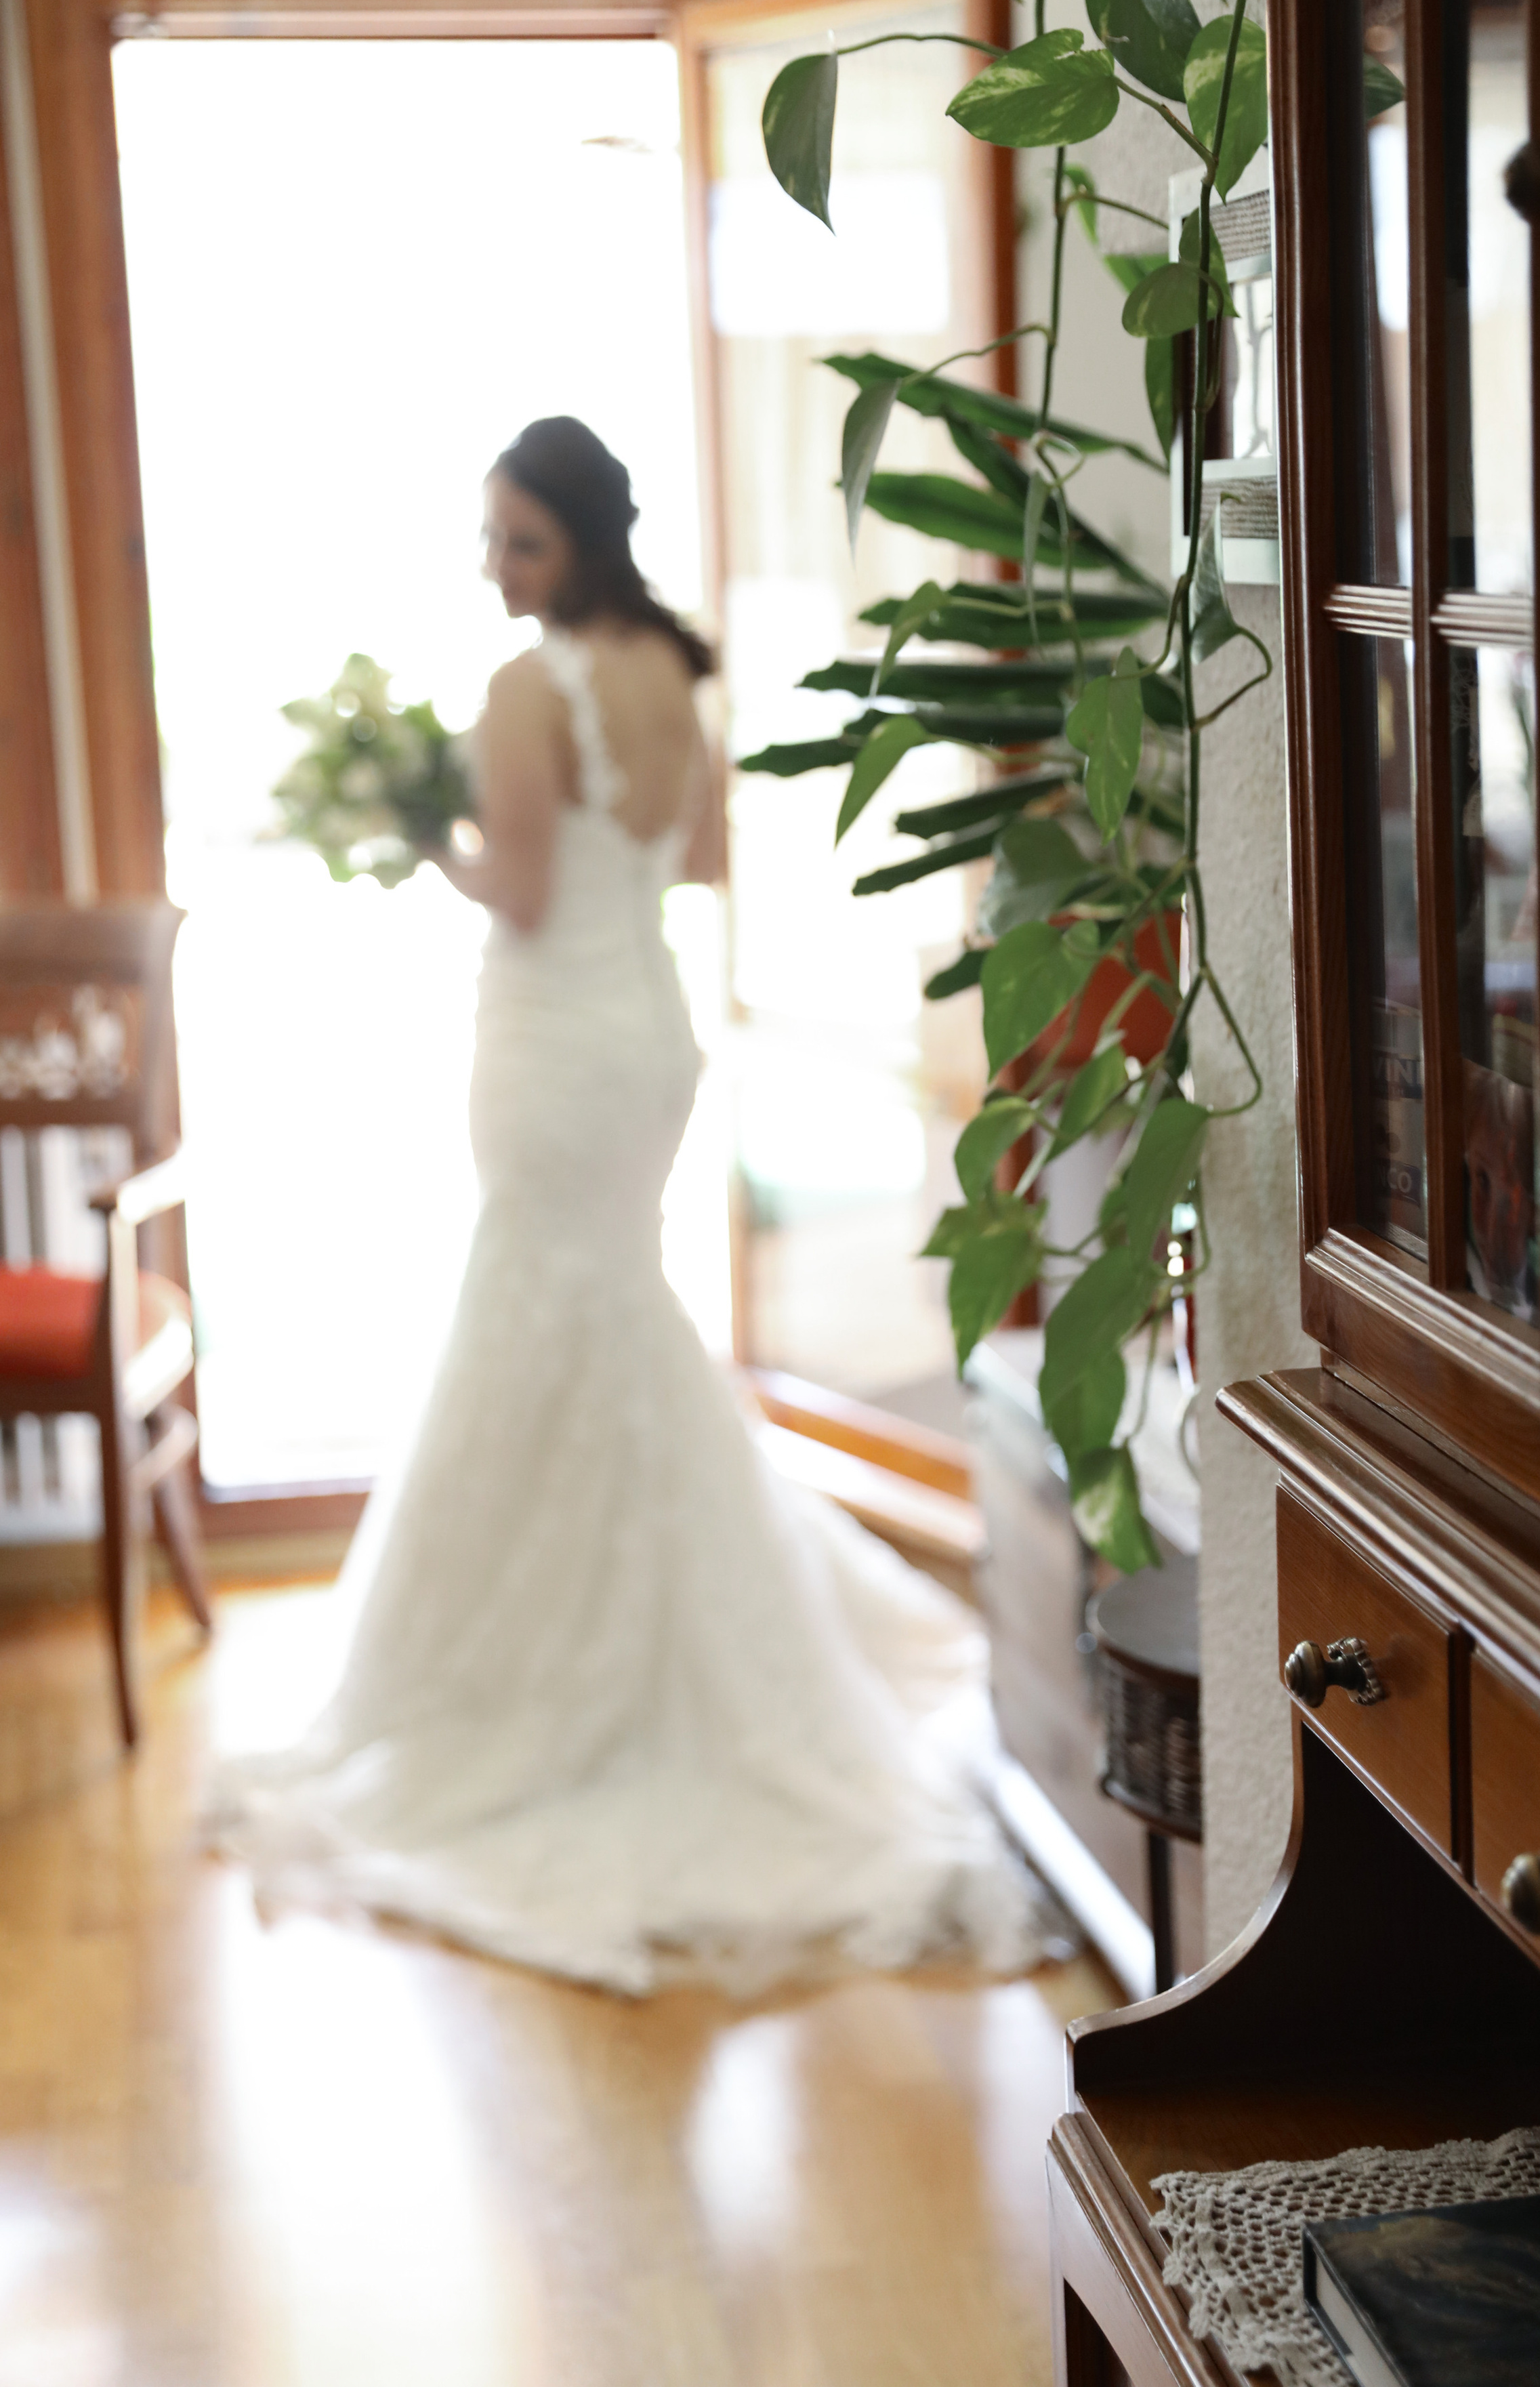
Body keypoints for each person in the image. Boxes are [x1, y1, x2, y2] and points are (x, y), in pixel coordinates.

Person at [209, 416, 1041, 1995]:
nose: (494, 568)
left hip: (548, 1036)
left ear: (578, 541)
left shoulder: (528, 688)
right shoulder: (675, 675)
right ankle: (658, 1649)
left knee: (544, 1295)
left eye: (516, 540)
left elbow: (515, 893)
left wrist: (411, 840)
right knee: (608, 1301)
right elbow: (702, 854)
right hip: (644, 1028)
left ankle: (545, 1694)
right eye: (490, 537)